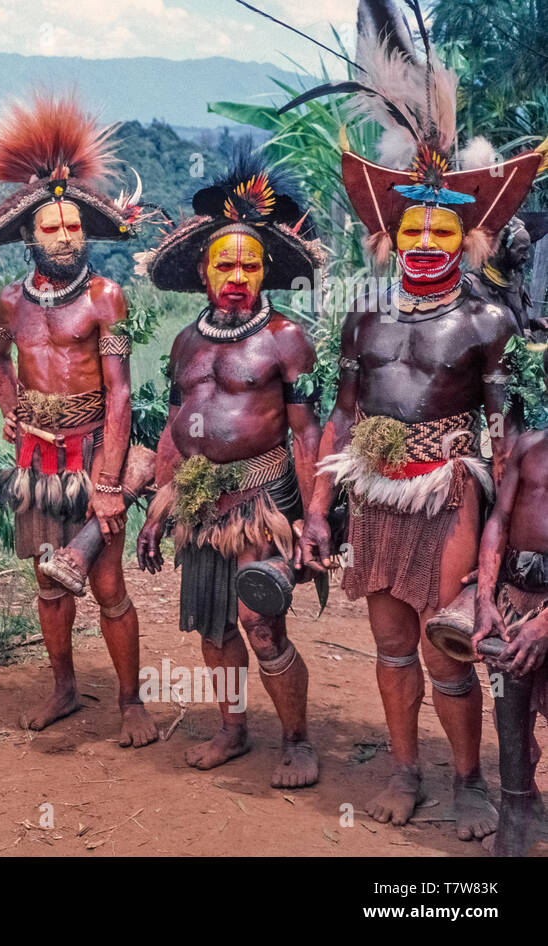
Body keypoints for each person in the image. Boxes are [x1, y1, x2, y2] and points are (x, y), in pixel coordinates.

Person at [298, 0, 544, 840]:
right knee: (391, 643)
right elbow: (339, 415)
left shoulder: (487, 322)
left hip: (447, 492)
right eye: (414, 227)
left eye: (445, 226)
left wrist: (498, 549)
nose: (429, 239)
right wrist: (319, 512)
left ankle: (471, 781)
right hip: (371, 489)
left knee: (449, 647)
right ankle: (406, 769)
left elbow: (509, 442)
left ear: (468, 236)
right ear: (391, 237)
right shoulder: (363, 319)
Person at [0, 90, 156, 739]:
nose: (67, 236)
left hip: (93, 447)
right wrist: (11, 407)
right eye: (52, 228)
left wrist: (108, 478)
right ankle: (65, 687)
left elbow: (121, 393)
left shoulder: (107, 298)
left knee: (106, 585)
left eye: (73, 227)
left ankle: (130, 701)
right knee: (47, 583)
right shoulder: (11, 302)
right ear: (28, 236)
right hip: (35, 457)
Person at [135, 148, 326, 787]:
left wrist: (315, 519)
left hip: (264, 499)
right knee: (214, 627)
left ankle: (297, 741)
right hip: (198, 502)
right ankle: (233, 728)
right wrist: (159, 507)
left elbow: (307, 437)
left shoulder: (287, 339)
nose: (238, 273)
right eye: (225, 262)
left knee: (259, 622)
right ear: (204, 270)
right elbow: (173, 428)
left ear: (266, 268)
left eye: (250, 262)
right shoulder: (186, 342)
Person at [472, 428, 548, 855]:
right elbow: (499, 519)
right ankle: (516, 812)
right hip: (517, 591)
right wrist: (486, 597)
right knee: (510, 708)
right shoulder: (531, 446)